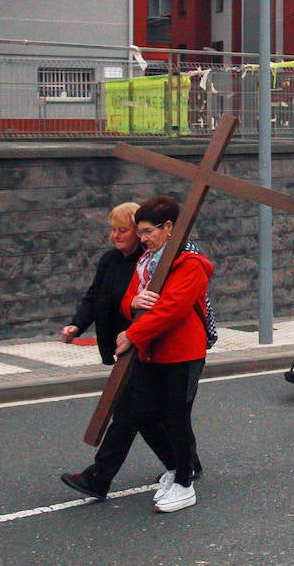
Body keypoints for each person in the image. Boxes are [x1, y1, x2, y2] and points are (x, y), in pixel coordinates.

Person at [60, 202, 192, 504]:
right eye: (113, 230)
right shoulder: (110, 261)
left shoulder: (151, 263)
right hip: (124, 347)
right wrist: (76, 325)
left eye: (124, 230)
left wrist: (134, 326)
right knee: (145, 414)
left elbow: (165, 305)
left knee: (129, 412)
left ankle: (99, 477)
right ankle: (184, 464)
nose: (115, 236)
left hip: (143, 345)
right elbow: (95, 297)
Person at [101, 196, 214, 512]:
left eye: (149, 232)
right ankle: (177, 469)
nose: (144, 239)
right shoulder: (145, 262)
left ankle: (184, 484)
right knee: (145, 413)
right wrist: (133, 305)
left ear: (169, 228)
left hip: (182, 353)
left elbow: (171, 309)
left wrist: (131, 334)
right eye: (140, 232)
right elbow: (129, 298)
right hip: (151, 352)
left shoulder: (190, 263)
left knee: (176, 416)